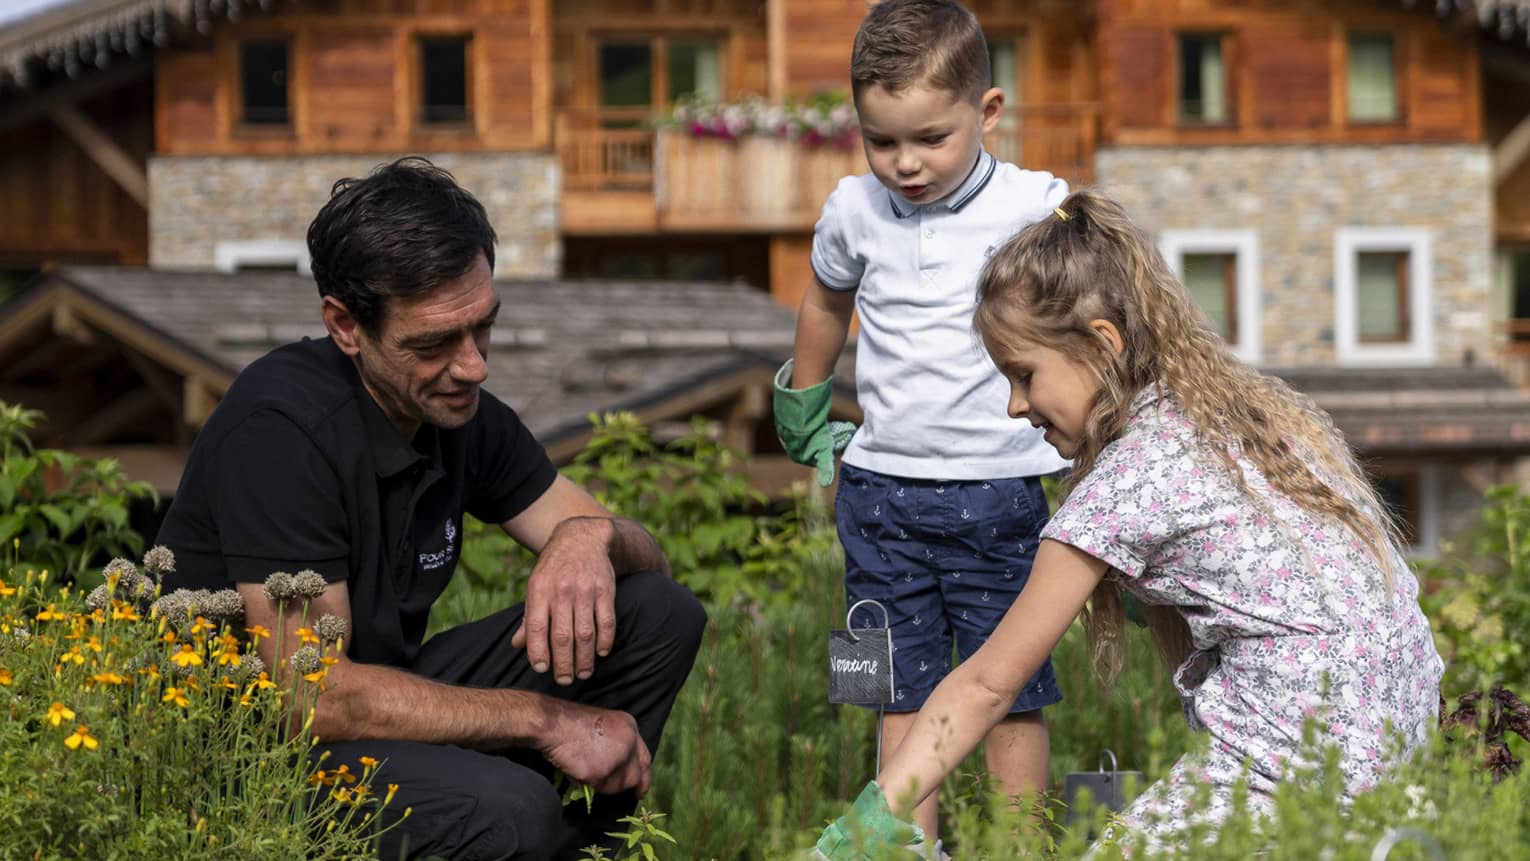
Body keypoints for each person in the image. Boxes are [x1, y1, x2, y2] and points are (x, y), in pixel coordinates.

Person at [812, 189, 1444, 858]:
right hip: (1396, 754)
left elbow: (988, 682)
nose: (1014, 404)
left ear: (1101, 344)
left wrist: (877, 812)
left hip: (1286, 768)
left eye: (1024, 374)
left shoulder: (1126, 481)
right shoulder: (1250, 420)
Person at [155, 156, 706, 860]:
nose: (474, 364)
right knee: (510, 810)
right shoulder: (282, 430)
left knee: (658, 612)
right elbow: (311, 699)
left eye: (483, 328)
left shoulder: (460, 407)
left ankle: (578, 849)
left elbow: (647, 553)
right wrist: (545, 719)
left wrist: (588, 534)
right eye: (436, 342)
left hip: (377, 708)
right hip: (243, 760)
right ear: (346, 324)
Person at [772, 0, 1070, 845]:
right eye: (882, 140)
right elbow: (826, 299)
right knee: (889, 685)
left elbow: (1099, 301)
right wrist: (805, 397)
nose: (905, 163)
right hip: (878, 494)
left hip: (1003, 490)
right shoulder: (853, 209)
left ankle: (1019, 842)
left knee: (1008, 685)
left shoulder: (1036, 206)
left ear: (988, 113)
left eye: (930, 139)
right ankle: (907, 844)